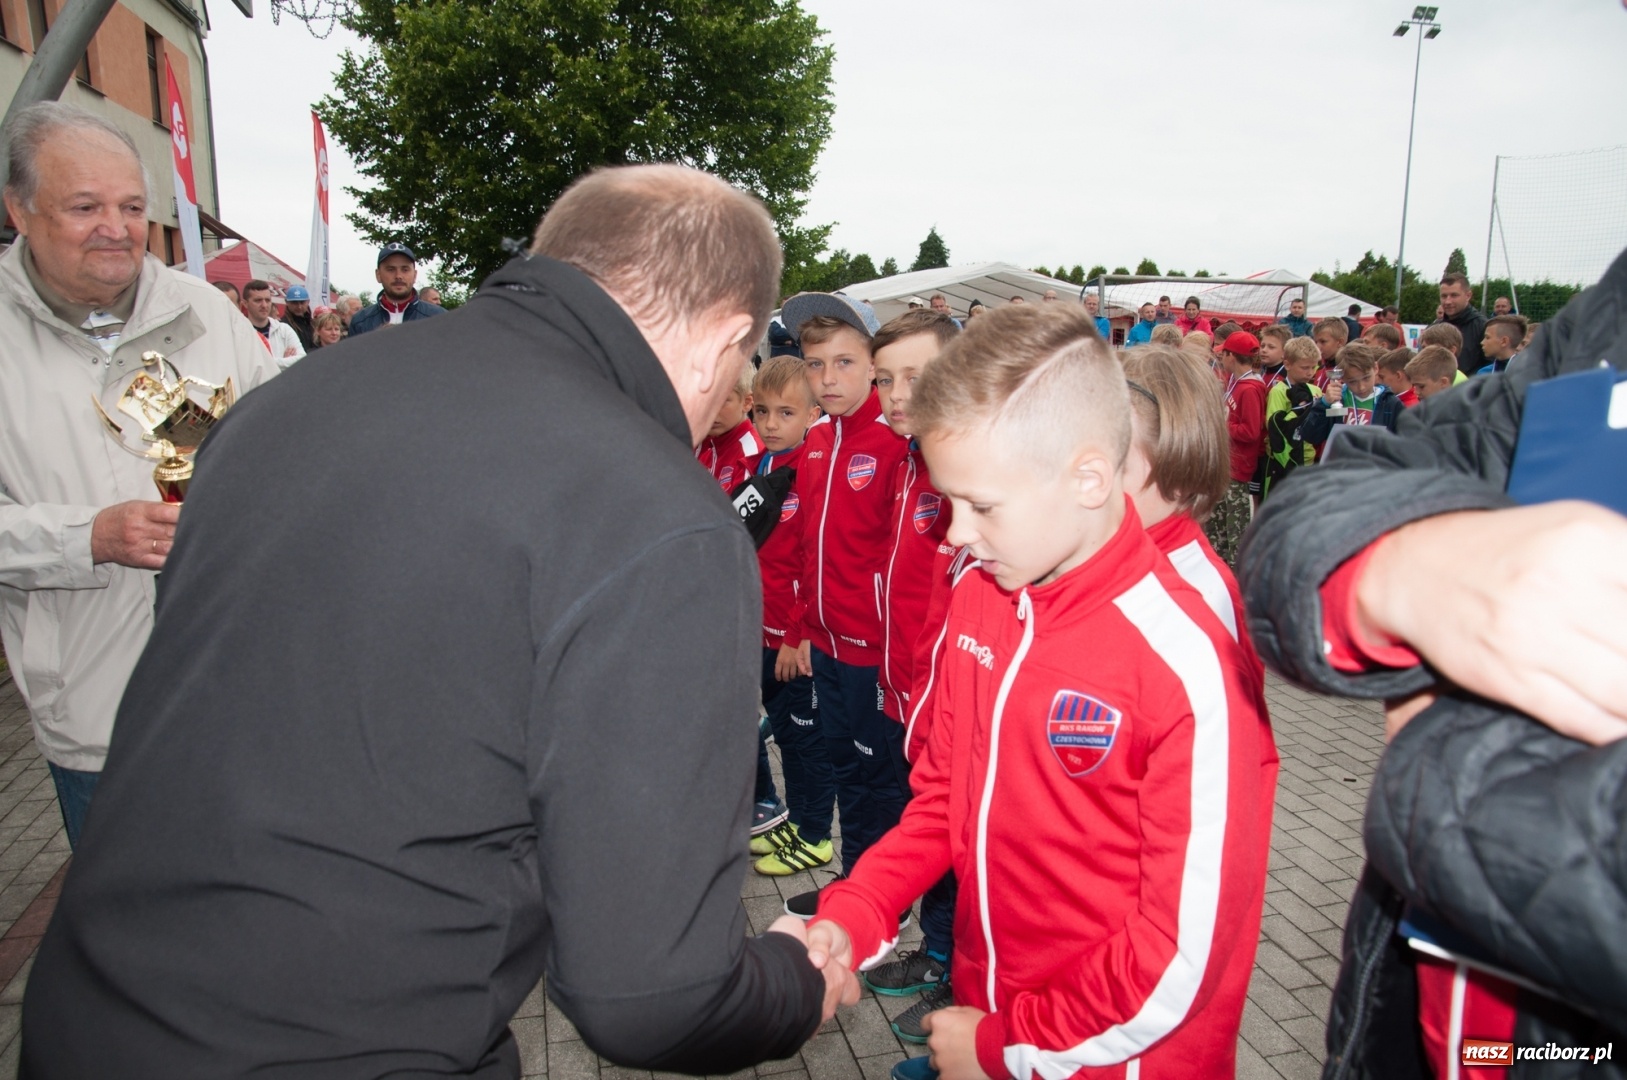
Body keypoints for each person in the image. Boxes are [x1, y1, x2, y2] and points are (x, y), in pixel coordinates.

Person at [21, 163, 857, 1075]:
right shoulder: (655, 514)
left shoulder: (287, 404)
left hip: (91, 1013)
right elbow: (651, 998)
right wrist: (793, 981)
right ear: (726, 338)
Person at [806, 304, 1276, 1080]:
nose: (953, 534)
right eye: (947, 500)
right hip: (993, 1021)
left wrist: (1002, 1045)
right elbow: (945, 800)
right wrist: (856, 912)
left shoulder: (1188, 664)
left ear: (1090, 476)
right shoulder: (986, 594)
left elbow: (1182, 956)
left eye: (981, 506)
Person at [1239, 246, 1627, 1080]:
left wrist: (1437, 756)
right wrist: (1412, 568)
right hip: (1432, 1022)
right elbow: (1337, 488)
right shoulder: (1611, 316)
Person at [0, 102, 280, 850]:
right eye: (84, 207)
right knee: (133, 947)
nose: (114, 228)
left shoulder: (205, 312)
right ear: (19, 210)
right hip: (98, 717)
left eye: (131, 207)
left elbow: (282, 451)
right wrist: (85, 535)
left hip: (243, 694)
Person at [777, 292, 912, 921]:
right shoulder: (817, 442)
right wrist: (802, 629)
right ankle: (857, 887)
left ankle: (881, 902)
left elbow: (905, 562)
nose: (827, 380)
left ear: (872, 364)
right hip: (827, 646)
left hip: (875, 655)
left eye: (844, 364)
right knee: (845, 772)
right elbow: (807, 546)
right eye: (814, 365)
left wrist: (892, 652)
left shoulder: (897, 444)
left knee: (879, 782)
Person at [858, 310, 961, 1042]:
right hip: (905, 692)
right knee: (925, 833)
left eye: (914, 377)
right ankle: (937, 955)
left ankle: (959, 979)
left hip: (951, 705)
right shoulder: (908, 461)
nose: (895, 395)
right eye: (885, 378)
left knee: (959, 845)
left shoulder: (967, 478)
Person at [748, 356, 836, 877]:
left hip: (792, 639)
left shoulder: (810, 469)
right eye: (763, 412)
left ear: (811, 414)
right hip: (762, 629)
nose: (772, 424)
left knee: (805, 740)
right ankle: (796, 824)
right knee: (782, 728)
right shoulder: (765, 465)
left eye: (786, 413)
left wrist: (797, 634)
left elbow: (813, 559)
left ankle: (816, 834)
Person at [1206, 330, 1266, 565]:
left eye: (1224, 353)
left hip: (1239, 469)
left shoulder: (1250, 388)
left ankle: (1237, 580)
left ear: (1233, 356)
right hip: (1227, 465)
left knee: (1235, 532)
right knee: (1218, 528)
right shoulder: (1236, 382)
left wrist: (1222, 422)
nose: (1221, 358)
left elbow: (1251, 432)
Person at [1261, 336, 1324, 500]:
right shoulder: (1279, 391)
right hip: (1281, 461)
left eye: (1313, 367)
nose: (1310, 372)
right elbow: (1273, 426)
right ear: (1287, 364)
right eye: (1304, 367)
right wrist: (1298, 410)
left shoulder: (1316, 390)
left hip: (1308, 459)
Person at [349, 241, 447, 335]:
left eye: (405, 269)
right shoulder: (360, 322)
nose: (398, 276)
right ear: (378, 275)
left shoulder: (439, 317)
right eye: (391, 269)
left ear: (415, 275)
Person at [695, 363, 762, 492]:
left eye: (722, 400)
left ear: (746, 402)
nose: (711, 411)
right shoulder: (698, 444)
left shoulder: (751, 455)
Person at [1433, 271, 1488, 378]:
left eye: (1454, 295)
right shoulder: (1434, 327)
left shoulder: (1483, 327)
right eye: (1444, 296)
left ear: (1468, 295)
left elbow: (1491, 367)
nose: (1448, 301)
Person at [240, 279, 305, 366]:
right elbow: (244, 366)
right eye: (258, 300)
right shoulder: (239, 333)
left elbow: (302, 360)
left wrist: (268, 364)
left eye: (267, 300)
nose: (264, 305)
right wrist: (286, 362)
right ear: (245, 303)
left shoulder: (284, 329)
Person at [1311, 315, 1348, 392]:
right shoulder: (1319, 368)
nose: (1317, 347)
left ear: (1340, 342)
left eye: (1323, 341)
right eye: (1316, 342)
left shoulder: (1348, 371)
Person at [282, 283, 316, 351]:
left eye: (302, 302)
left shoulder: (313, 323)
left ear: (308, 302)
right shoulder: (282, 325)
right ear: (286, 302)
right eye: (295, 303)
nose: (299, 306)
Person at [1258, 323, 1292, 388]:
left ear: (1284, 352)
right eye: (1262, 346)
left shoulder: (1287, 376)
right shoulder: (1262, 371)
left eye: (1271, 347)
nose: (1264, 350)